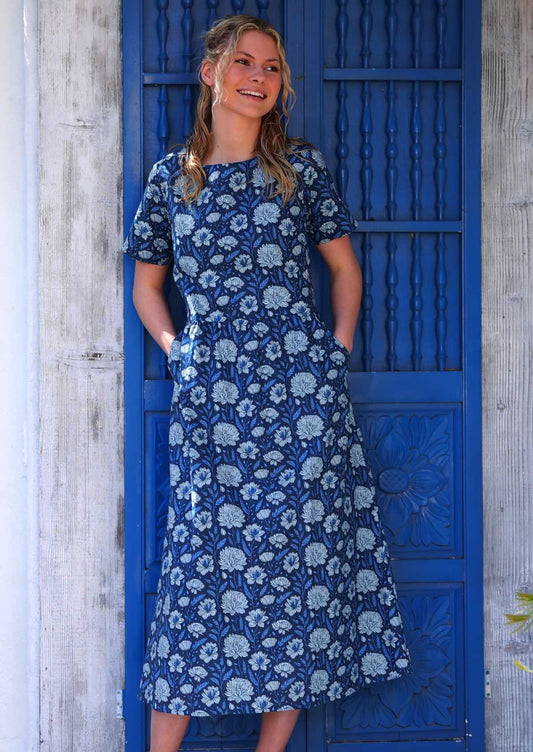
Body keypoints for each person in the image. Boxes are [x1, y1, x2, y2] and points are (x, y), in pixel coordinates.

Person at [123, 13, 412, 752]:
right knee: (196, 579)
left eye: (273, 68)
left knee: (298, 569)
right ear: (211, 73)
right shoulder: (170, 180)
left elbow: (343, 270)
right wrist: (177, 351)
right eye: (246, 63)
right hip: (210, 399)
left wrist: (332, 353)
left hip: (300, 402)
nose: (259, 77)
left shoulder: (299, 170)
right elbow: (147, 286)